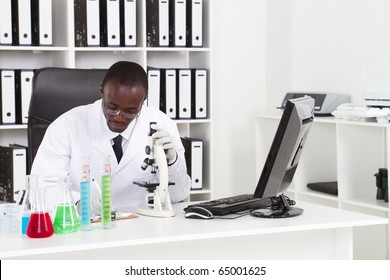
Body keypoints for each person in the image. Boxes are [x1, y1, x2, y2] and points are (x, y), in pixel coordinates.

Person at [30, 61, 191, 212]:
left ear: (144, 100)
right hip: (83, 225)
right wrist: (83, 203)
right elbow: (41, 191)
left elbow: (179, 195)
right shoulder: (66, 126)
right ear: (102, 91)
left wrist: (172, 162)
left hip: (141, 224)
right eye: (112, 108)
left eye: (131, 112)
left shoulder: (162, 124)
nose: (120, 118)